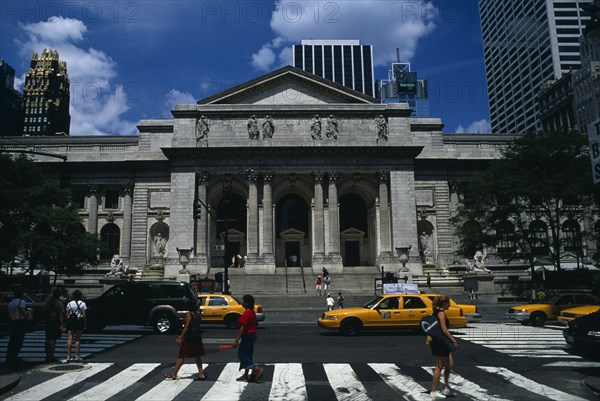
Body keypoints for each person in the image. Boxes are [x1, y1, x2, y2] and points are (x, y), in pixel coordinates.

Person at [164, 299, 206, 380]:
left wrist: (181, 336)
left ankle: (174, 374)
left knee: (181, 355)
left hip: (189, 338)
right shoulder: (196, 314)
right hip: (196, 337)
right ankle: (201, 374)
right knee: (197, 355)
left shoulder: (189, 314)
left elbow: (187, 327)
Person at [430, 295, 459, 399]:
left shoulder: (437, 312)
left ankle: (446, 388)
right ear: (445, 303)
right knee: (439, 366)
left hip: (443, 342)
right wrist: (453, 340)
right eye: (449, 303)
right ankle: (433, 391)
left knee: (449, 364)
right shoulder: (441, 313)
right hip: (440, 342)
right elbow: (444, 329)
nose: (450, 305)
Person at [232, 295, 263, 382]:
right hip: (252, 334)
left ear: (247, 303)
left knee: (242, 355)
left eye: (243, 301)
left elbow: (243, 328)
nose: (242, 303)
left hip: (248, 335)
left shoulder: (247, 313)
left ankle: (255, 368)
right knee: (248, 355)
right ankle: (246, 375)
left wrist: (236, 340)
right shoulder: (252, 312)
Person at [6, 286, 29, 365]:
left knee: (12, 340)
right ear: (21, 294)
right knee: (19, 340)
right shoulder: (21, 302)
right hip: (19, 323)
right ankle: (14, 356)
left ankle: (10, 356)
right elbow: (23, 312)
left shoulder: (10, 303)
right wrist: (27, 316)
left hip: (12, 322)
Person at [65, 289, 87, 362]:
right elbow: (84, 315)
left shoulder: (69, 303)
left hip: (71, 321)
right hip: (79, 321)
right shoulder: (83, 303)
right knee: (77, 339)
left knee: (70, 338)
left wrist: (67, 321)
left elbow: (67, 314)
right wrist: (85, 324)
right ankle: (77, 356)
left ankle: (68, 356)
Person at [44, 288, 65, 362]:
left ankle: (47, 355)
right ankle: (52, 355)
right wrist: (62, 325)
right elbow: (61, 315)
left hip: (48, 321)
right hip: (55, 322)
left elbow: (45, 311)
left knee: (47, 339)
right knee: (53, 339)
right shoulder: (60, 303)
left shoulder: (48, 302)